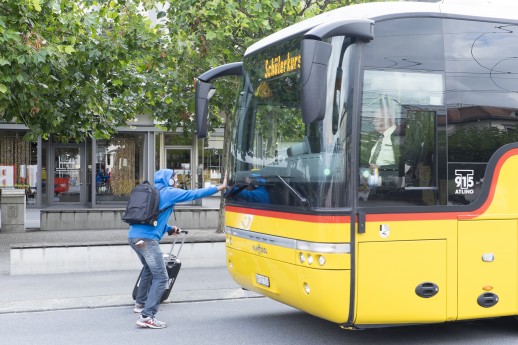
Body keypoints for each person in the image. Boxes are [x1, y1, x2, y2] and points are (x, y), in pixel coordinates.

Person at [128, 168, 227, 329]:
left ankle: (140, 303)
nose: (176, 179)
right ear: (167, 179)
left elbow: (151, 219)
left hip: (134, 237)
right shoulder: (168, 192)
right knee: (161, 277)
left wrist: (169, 228)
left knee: (148, 267)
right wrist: (218, 187)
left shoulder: (153, 192)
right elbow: (193, 194)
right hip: (147, 240)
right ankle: (147, 316)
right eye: (174, 177)